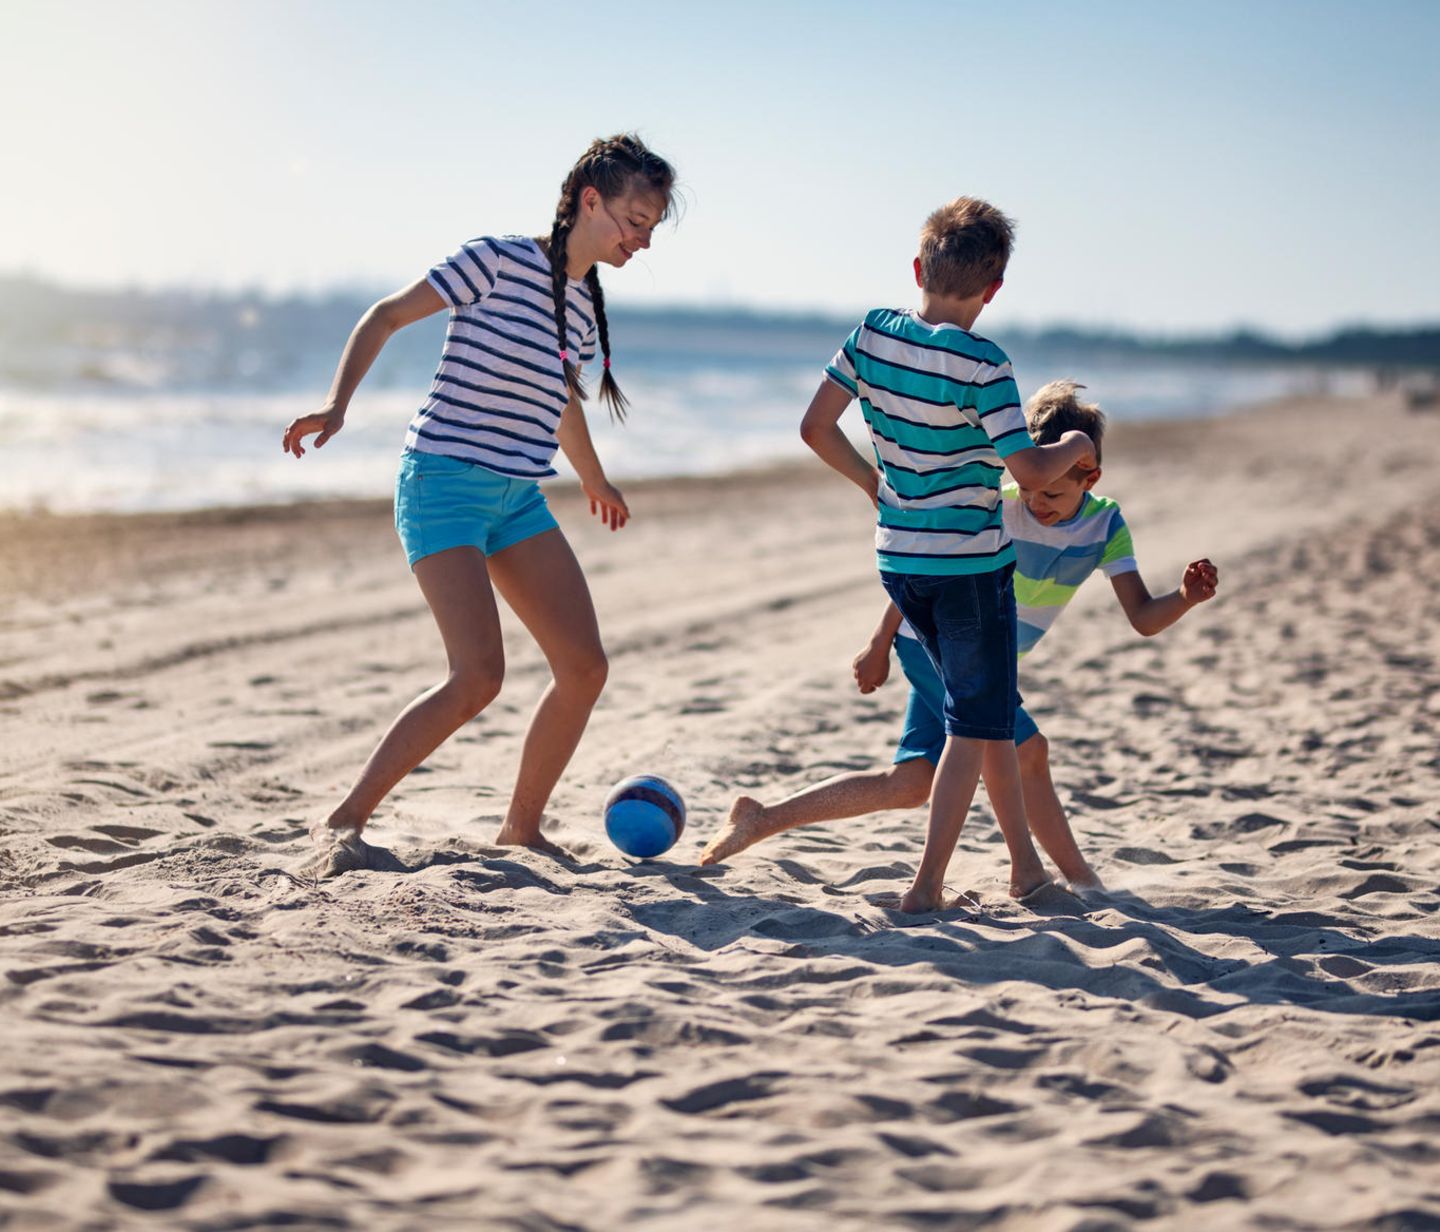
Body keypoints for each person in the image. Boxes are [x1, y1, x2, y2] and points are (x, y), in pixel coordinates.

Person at [282, 133, 678, 875]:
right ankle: (344, 819)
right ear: (590, 201)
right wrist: (337, 406)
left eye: (652, 227)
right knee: (478, 676)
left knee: (584, 667)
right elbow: (385, 316)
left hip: (516, 499)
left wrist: (594, 480)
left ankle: (521, 829)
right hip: (441, 484)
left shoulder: (581, 304)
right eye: (635, 220)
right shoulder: (495, 260)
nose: (643, 240)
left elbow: (561, 401)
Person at [701, 380, 1219, 893]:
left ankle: (760, 818)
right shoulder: (998, 507)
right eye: (1030, 487)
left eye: (1053, 493)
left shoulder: (1105, 527)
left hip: (976, 654)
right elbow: (934, 571)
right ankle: (1079, 880)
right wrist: (880, 641)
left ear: (1091, 477)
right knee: (1028, 751)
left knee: (910, 784)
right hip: (930, 639)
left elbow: (1143, 617)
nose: (1037, 502)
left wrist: (1185, 597)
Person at [761, 196, 1094, 913]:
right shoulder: (985, 363)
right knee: (973, 726)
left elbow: (815, 428)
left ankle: (1025, 870)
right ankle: (926, 885)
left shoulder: (871, 334)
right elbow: (1029, 470)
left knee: (989, 715)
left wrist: (871, 484)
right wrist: (1075, 444)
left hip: (899, 561)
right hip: (969, 569)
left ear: (919, 268)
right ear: (993, 289)